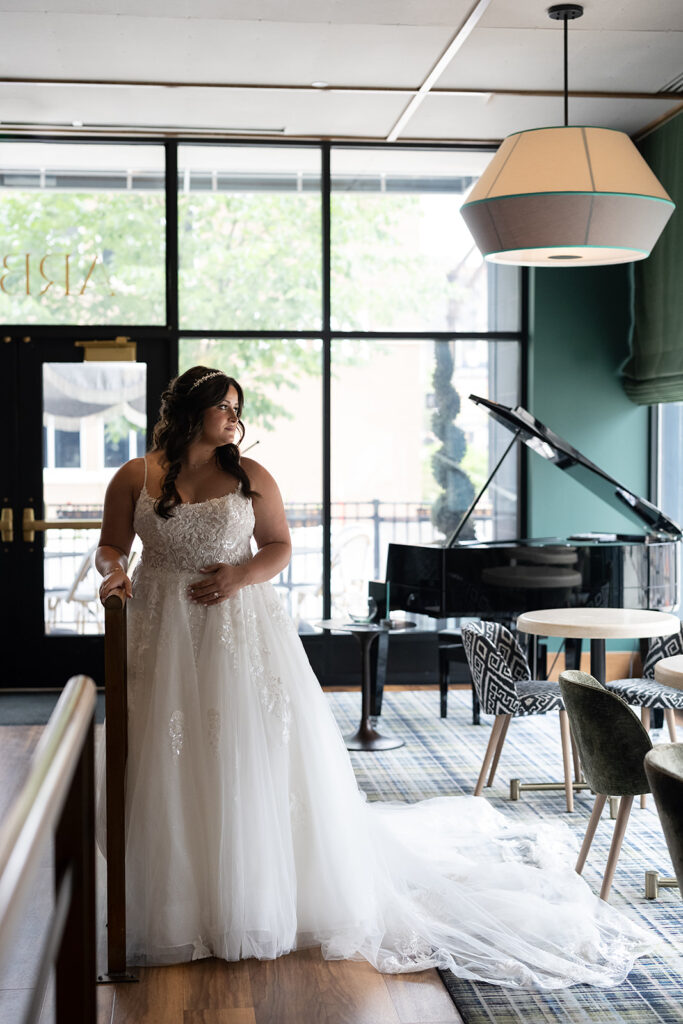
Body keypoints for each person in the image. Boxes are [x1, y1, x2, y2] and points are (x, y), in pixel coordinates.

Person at [96, 365, 650, 987]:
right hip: (161, 625)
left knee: (242, 750)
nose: (234, 419)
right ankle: (174, 899)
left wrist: (238, 574)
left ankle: (246, 899)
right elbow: (111, 544)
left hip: (238, 627)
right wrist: (114, 571)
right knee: (166, 753)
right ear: (192, 410)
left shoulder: (251, 476)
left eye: (237, 408)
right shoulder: (135, 475)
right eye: (224, 407)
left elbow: (278, 546)